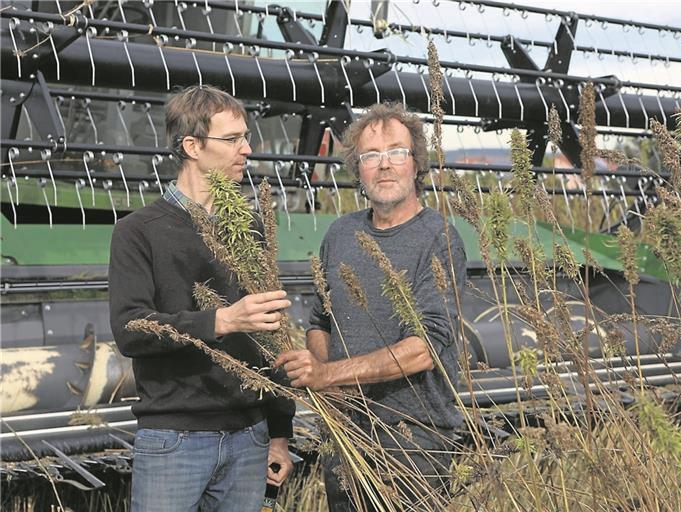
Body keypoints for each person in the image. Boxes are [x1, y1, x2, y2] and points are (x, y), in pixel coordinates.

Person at [109, 85, 295, 512]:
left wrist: (280, 433)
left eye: (246, 137)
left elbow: (272, 336)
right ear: (191, 145)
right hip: (175, 439)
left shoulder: (249, 228)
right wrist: (223, 321)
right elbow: (130, 330)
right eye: (232, 139)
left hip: (250, 437)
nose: (246, 149)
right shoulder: (138, 231)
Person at [275, 102, 466, 510]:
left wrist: (328, 375)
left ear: (416, 164)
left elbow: (424, 348)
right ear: (357, 170)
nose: (384, 166)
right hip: (344, 438)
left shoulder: (439, 239)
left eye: (397, 152)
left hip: (414, 445)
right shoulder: (340, 235)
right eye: (371, 156)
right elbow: (319, 322)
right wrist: (329, 385)